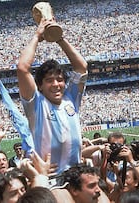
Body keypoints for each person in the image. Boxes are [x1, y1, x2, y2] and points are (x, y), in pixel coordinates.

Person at [17, 17, 88, 173]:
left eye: (60, 79)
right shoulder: (36, 104)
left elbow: (81, 67)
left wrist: (59, 37)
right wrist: (37, 36)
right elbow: (22, 68)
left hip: (76, 176)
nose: (56, 84)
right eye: (49, 80)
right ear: (40, 86)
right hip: (51, 180)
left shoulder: (71, 98)